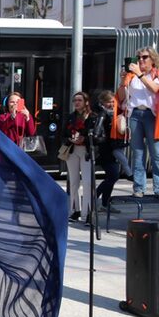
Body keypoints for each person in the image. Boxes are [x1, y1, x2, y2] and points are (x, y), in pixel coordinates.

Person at [121, 47, 159, 197]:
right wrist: (123, 81)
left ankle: (158, 188)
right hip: (135, 113)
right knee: (137, 152)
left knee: (156, 153)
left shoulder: (155, 74)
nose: (140, 60)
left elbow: (155, 89)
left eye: (144, 57)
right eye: (139, 57)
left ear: (152, 60)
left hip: (152, 115)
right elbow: (121, 96)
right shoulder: (132, 76)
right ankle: (139, 188)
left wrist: (139, 74)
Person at [93, 90, 131, 214]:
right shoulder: (103, 113)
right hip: (106, 149)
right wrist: (106, 140)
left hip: (110, 148)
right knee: (113, 175)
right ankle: (95, 200)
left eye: (112, 101)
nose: (112, 104)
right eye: (109, 102)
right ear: (102, 102)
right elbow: (97, 132)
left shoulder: (112, 113)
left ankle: (104, 203)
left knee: (112, 176)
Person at [63, 91, 97, 221]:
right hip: (72, 150)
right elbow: (63, 134)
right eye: (75, 100)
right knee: (73, 182)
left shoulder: (93, 117)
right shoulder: (70, 117)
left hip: (86, 151)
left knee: (88, 182)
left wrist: (84, 139)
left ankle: (88, 213)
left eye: (79, 100)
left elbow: (98, 136)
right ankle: (75, 210)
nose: (76, 103)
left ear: (86, 102)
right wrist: (71, 139)